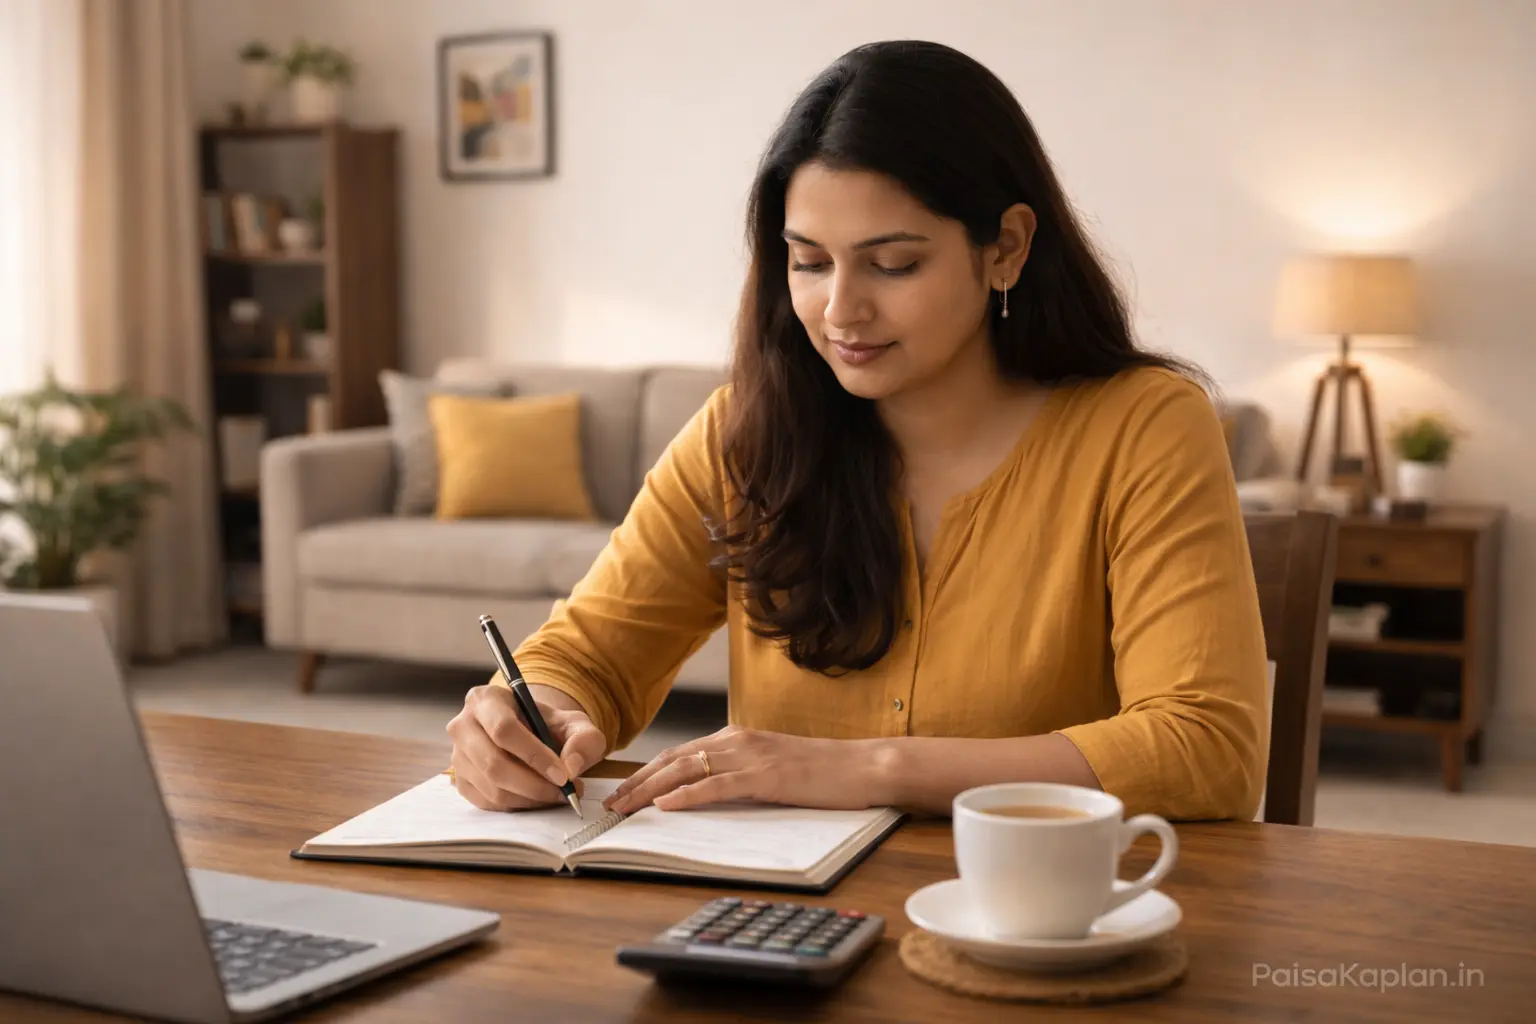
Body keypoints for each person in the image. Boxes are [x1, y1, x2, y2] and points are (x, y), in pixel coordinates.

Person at [445, 40, 1270, 823]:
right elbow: (588, 656)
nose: (840, 312)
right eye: (808, 262)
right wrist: (535, 718)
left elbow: (1206, 748)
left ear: (1007, 248)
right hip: (780, 929)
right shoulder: (746, 433)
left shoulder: (1144, 428)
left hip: (1039, 925)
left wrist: (862, 769)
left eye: (894, 264)